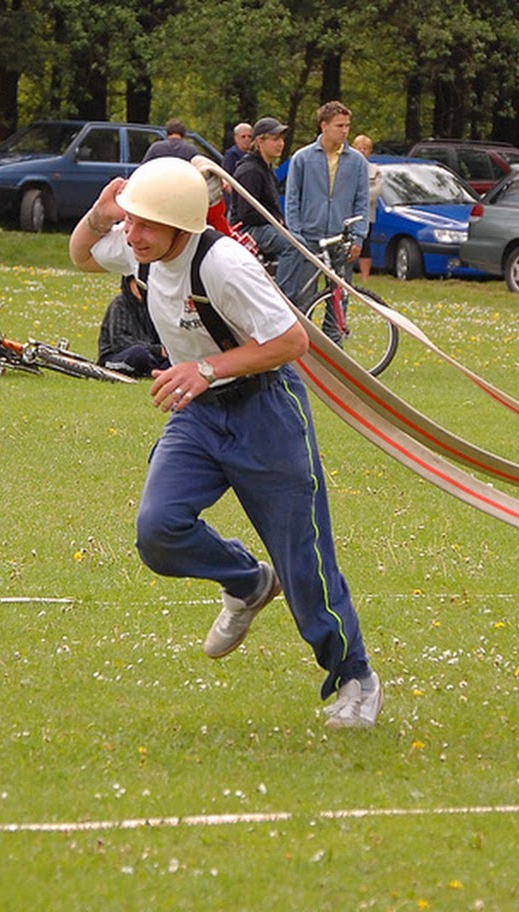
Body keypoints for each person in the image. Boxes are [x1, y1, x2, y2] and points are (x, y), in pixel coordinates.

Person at [69, 156, 383, 728]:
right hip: (200, 416)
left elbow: (291, 342)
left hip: (266, 408)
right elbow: (82, 253)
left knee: (304, 559)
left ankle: (355, 678)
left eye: (143, 224)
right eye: (130, 221)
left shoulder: (225, 264)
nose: (131, 234)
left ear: (182, 227)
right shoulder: (142, 246)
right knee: (158, 532)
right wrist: (99, 214)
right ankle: (246, 582)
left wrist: (207, 369)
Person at [284, 100, 369, 308]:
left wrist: (358, 237)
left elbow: (362, 201)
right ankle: (305, 340)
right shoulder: (302, 158)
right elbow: (292, 199)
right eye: (339, 126)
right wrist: (296, 235)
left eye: (347, 126)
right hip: (309, 238)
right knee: (305, 299)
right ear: (324, 126)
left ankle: (334, 340)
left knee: (339, 301)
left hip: (341, 239)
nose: (345, 131)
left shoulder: (357, 161)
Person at [231, 116, 299, 296]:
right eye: (275, 139)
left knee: (302, 243)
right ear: (260, 141)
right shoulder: (251, 170)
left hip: (261, 226)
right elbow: (246, 213)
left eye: (282, 139)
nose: (281, 144)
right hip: (247, 230)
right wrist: (276, 220)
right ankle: (285, 301)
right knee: (294, 245)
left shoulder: (265, 168)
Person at [97, 274, 169, 377]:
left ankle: (155, 369)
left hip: (150, 354)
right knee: (138, 353)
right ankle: (154, 369)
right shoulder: (120, 304)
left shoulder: (153, 305)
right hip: (117, 355)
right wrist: (156, 349)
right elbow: (119, 342)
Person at [351, 133, 382, 282]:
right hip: (347, 215)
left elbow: (376, 192)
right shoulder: (346, 167)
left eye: (365, 148)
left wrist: (358, 196)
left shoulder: (375, 170)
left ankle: (365, 277)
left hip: (367, 215)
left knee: (365, 245)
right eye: (359, 148)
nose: (362, 151)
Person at [222, 121, 253, 219]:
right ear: (236, 139)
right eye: (243, 137)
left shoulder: (253, 156)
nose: (247, 139)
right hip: (233, 202)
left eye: (249, 136)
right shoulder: (231, 155)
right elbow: (225, 178)